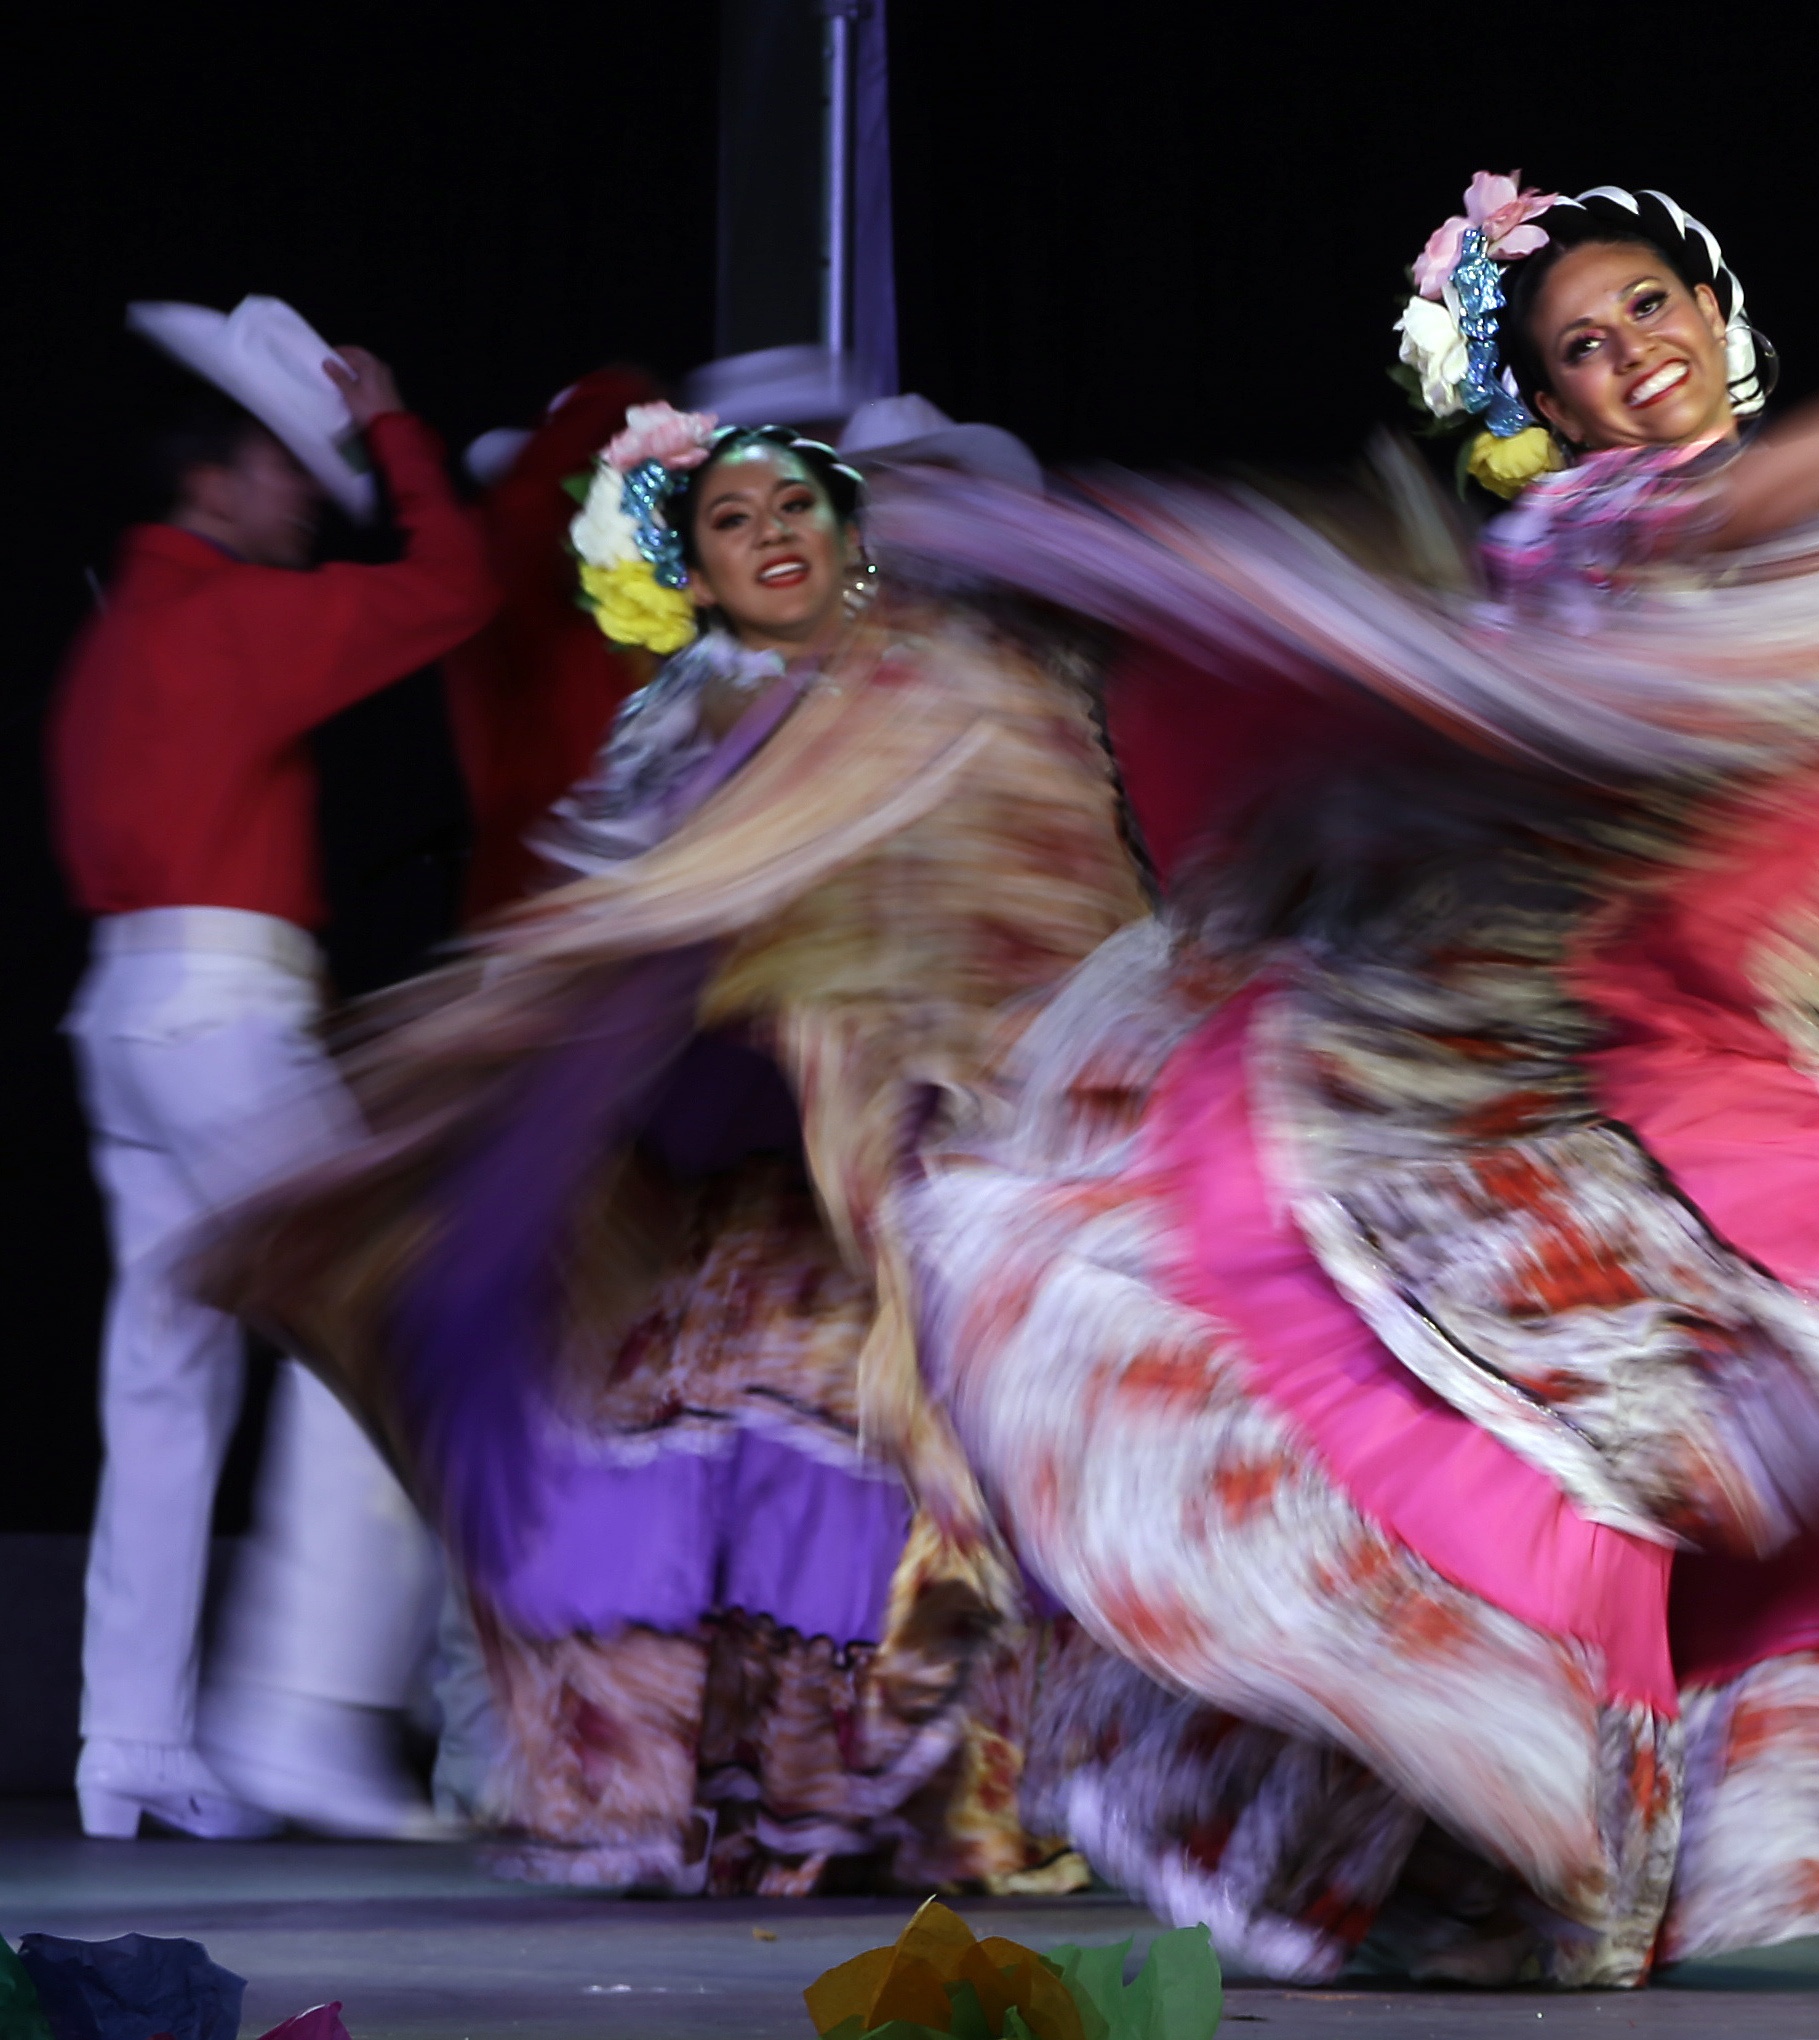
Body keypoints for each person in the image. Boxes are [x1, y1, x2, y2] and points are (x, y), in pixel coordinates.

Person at [870, 173, 1819, 1979]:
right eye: (1581, 353)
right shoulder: (1605, 534)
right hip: (1612, 1073)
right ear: (1548, 411)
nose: (1632, 361)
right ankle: (1580, 1833)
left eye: (1648, 312)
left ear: (1716, 307)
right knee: (1599, 1476)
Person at [206, 405, 1133, 1894]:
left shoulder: (964, 693)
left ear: (850, 537)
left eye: (796, 508)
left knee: (911, 1462)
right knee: (701, 1453)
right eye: (729, 520)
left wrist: (902, 1031)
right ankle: (739, 1808)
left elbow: (1054, 904)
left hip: (925, 1173)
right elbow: (621, 935)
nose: (771, 534)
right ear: (692, 574)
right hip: (738, 1179)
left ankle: (929, 1801)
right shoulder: (680, 727)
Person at [53, 296, 496, 1841]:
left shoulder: (119, 631)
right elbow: (454, 587)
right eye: (287, 469)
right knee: (377, 1326)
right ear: (214, 480)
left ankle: (130, 1744)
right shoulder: (229, 622)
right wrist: (391, 427)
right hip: (219, 1018)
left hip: (124, 1017)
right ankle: (299, 1714)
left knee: (166, 1383)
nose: (309, 496)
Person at [441, 368, 664, 916]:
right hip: (552, 891)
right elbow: (529, 516)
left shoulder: (623, 618)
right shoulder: (517, 601)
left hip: (624, 892)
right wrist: (635, 399)